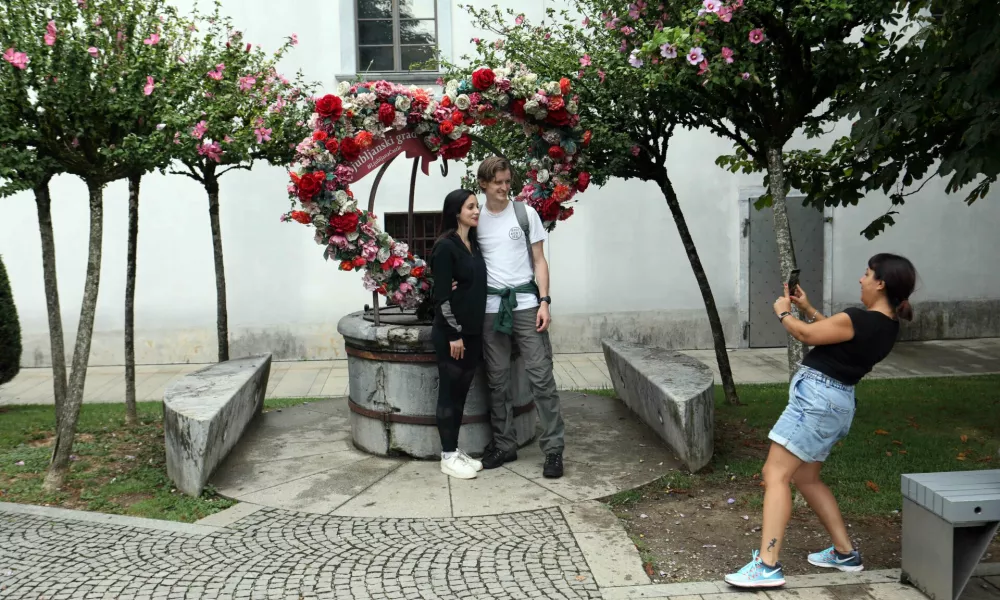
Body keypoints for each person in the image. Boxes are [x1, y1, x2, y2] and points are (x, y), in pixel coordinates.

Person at [725, 253, 918, 588]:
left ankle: (767, 565)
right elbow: (837, 334)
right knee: (807, 479)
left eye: (867, 273)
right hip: (836, 403)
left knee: (775, 474)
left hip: (816, 403)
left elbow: (808, 336)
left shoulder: (861, 318)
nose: (861, 279)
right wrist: (809, 309)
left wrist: (784, 312)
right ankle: (844, 553)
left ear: (881, 283)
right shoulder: (885, 325)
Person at [475, 156, 565, 478]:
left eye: (506, 180)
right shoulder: (475, 219)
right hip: (491, 308)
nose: (503, 187)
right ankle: (505, 444)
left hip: (527, 304)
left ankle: (553, 450)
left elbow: (540, 261)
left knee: (541, 378)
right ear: (483, 184)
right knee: (497, 381)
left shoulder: (525, 214)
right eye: (497, 182)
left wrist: (545, 302)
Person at [429, 189, 488, 480]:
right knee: (449, 394)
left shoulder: (473, 244)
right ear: (456, 212)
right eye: (470, 207)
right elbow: (441, 297)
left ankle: (455, 449)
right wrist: (454, 334)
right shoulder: (445, 247)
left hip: (474, 332)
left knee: (462, 393)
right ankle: (447, 455)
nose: (477, 211)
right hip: (453, 335)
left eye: (477, 206)